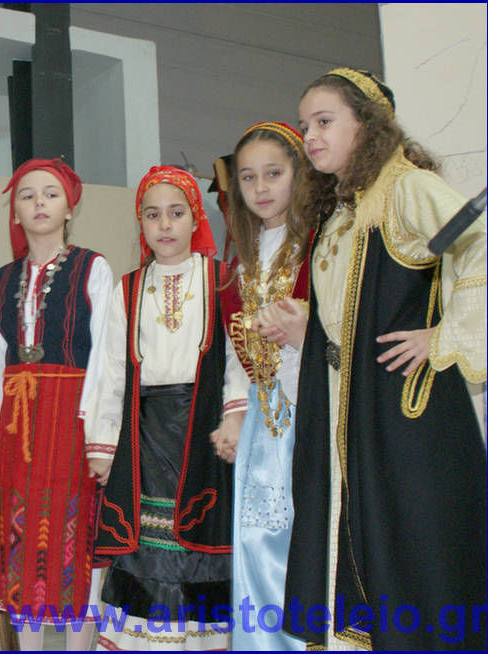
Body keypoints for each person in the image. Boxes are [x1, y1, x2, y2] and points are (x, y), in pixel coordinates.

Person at [281, 67, 486, 650]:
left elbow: (480, 242)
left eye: (324, 121)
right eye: (305, 125)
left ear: (366, 125)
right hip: (349, 409)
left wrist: (444, 338)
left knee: (415, 544)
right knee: (358, 539)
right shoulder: (341, 209)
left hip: (403, 411)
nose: (310, 136)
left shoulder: (406, 189)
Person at [90, 165, 248, 650]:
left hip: (205, 433)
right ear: (140, 221)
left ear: (196, 217)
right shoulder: (127, 288)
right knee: (146, 541)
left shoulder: (223, 280)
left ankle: (201, 642)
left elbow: (238, 358)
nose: (164, 225)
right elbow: (112, 371)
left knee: (199, 538)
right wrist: (103, 445)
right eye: (152, 214)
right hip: (145, 437)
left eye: (176, 213)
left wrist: (234, 418)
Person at [0, 158, 113, 651]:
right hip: (18, 427)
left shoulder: (92, 268)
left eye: (51, 193)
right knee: (21, 539)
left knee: (77, 538)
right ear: (15, 212)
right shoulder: (1, 279)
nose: (39, 202)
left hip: (73, 419)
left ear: (69, 208)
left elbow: (105, 357)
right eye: (28, 195)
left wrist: (99, 435)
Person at [215, 122, 314, 651]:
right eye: (249, 178)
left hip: (312, 408)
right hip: (262, 417)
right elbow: (237, 349)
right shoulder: (240, 262)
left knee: (302, 537)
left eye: (273, 173)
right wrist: (234, 415)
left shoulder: (321, 245)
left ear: (299, 174)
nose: (261, 188)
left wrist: (302, 333)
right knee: (256, 536)